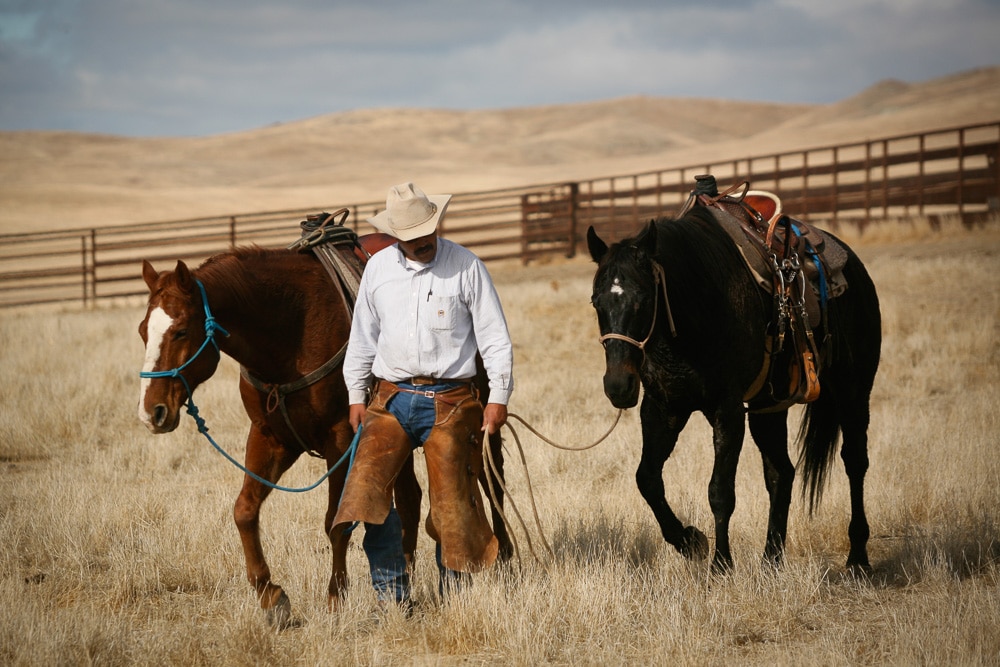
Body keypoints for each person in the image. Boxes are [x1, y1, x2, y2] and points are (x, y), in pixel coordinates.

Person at [333, 182, 514, 608]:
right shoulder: (378, 270)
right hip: (390, 399)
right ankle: (392, 599)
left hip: (452, 401)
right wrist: (356, 395)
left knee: (452, 506)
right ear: (396, 235)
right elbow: (362, 338)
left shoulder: (466, 266)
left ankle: (454, 599)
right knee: (366, 497)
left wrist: (499, 396)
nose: (422, 240)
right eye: (412, 235)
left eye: (428, 230)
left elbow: (494, 338)